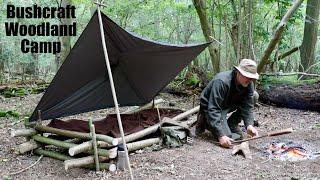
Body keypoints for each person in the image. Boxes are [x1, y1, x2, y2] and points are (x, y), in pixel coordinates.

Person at [195, 59, 259, 148]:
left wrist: (249, 125)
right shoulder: (222, 81)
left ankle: (232, 123)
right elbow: (213, 108)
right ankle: (204, 121)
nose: (250, 80)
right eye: (247, 76)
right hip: (211, 107)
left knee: (254, 96)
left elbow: (248, 106)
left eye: (252, 77)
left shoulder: (249, 84)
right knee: (227, 138)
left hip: (228, 104)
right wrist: (221, 135)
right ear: (238, 72)